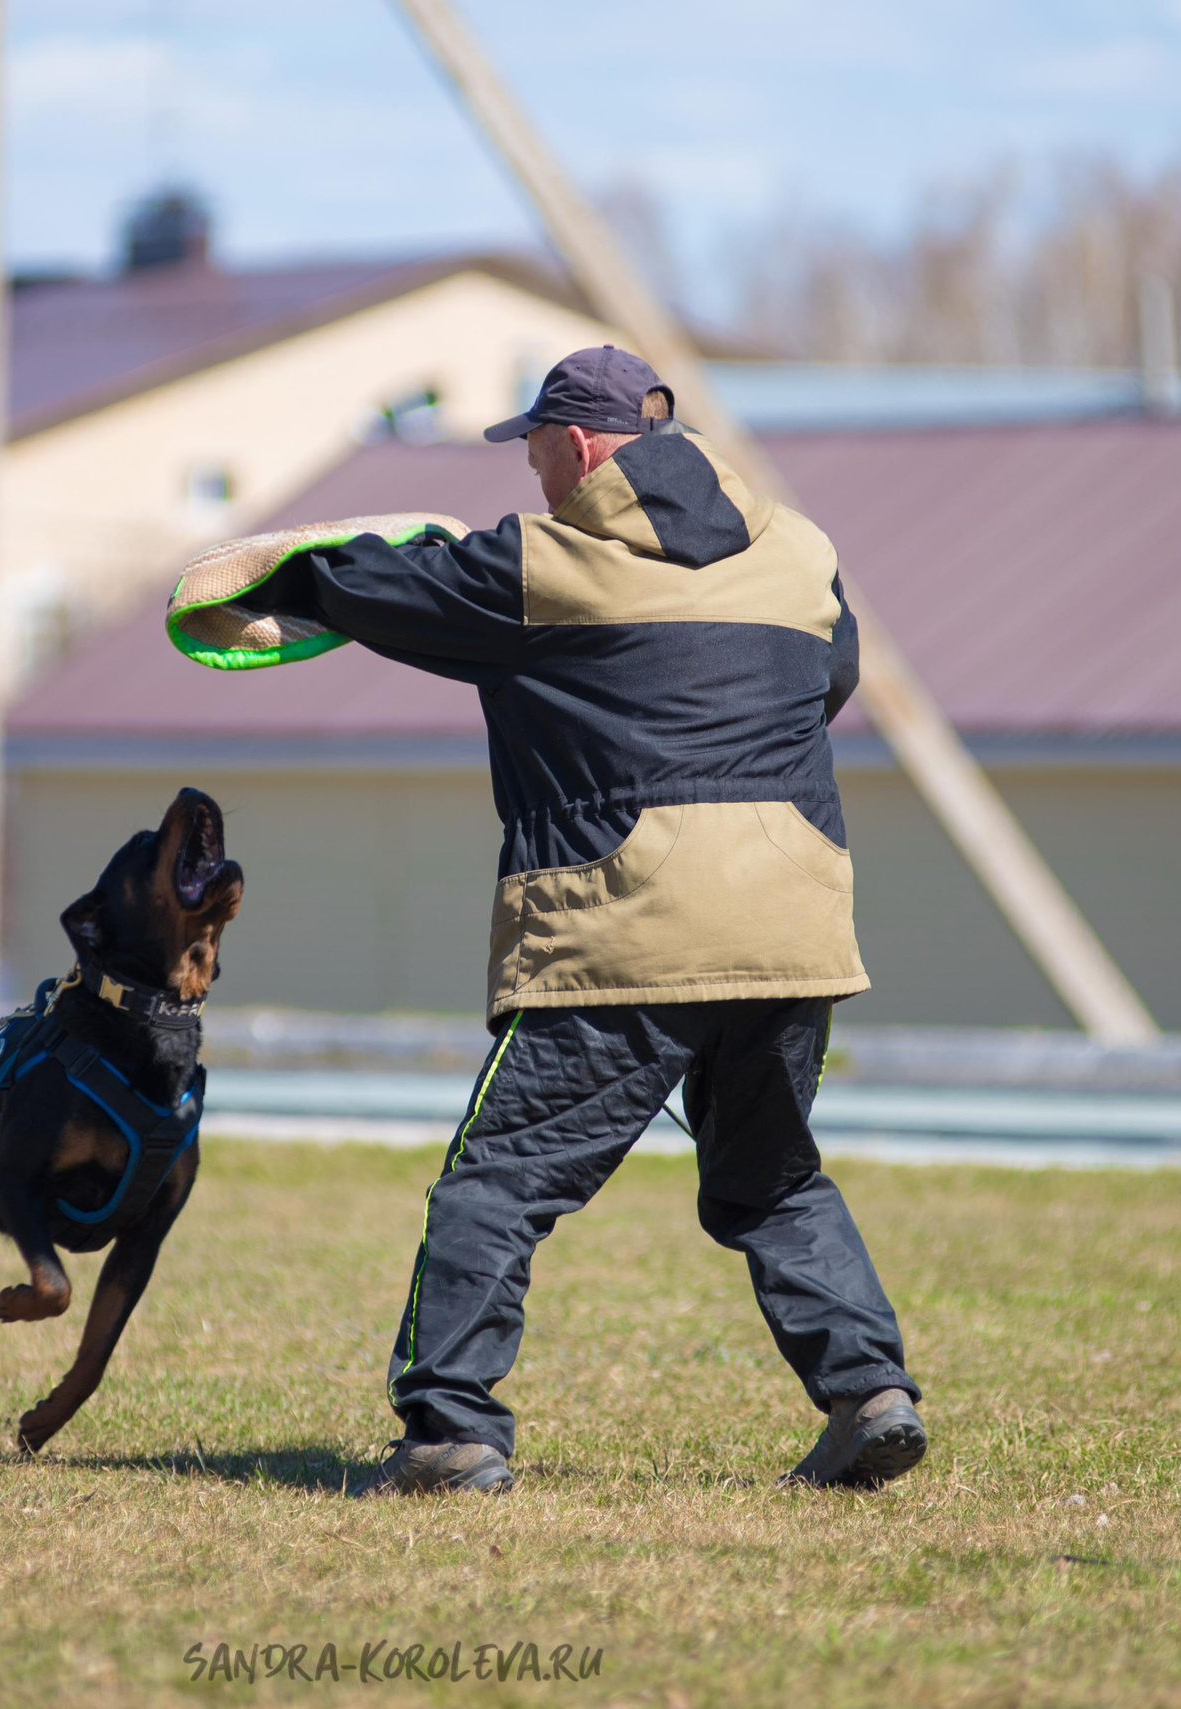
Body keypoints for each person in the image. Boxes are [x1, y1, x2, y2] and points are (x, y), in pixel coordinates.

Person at [225, 347, 925, 1496]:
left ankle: (451, 1429)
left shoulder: (543, 564)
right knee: (769, 1177)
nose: (532, 470)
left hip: (626, 924)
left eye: (536, 447)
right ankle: (870, 1393)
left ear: (583, 444)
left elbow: (384, 590)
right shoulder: (802, 550)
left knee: (495, 1182)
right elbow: (829, 676)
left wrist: (265, 579)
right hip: (789, 917)